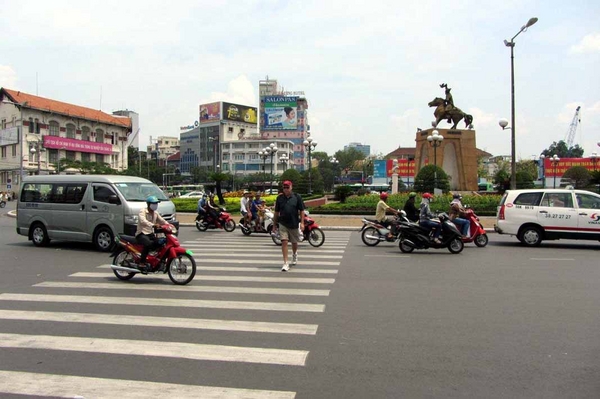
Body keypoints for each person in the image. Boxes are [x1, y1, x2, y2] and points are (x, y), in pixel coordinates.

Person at [272, 180, 305, 272]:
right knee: (284, 242)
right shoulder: (280, 198)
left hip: (294, 223)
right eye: (284, 187)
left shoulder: (297, 197)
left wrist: (302, 223)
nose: (286, 189)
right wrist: (274, 224)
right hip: (283, 223)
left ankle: (294, 254)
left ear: (291, 187)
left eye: (287, 187)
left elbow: (302, 210)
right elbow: (276, 212)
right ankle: (285, 263)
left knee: (294, 243)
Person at [135, 196, 168, 272]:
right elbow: (143, 221)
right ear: (148, 204)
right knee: (148, 244)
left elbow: (162, 221)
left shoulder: (155, 213)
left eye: (156, 203)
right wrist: (153, 225)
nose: (155, 205)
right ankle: (142, 263)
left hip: (150, 234)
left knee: (160, 242)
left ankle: (154, 260)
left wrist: (169, 225)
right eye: (153, 203)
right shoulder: (142, 211)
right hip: (141, 233)